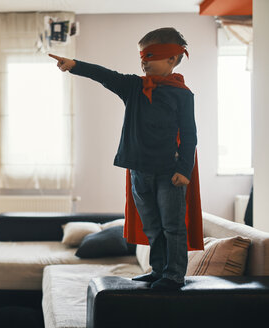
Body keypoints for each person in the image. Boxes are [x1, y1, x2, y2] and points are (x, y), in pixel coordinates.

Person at [49, 27, 203, 291]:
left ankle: (174, 275)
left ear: (172, 59)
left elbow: (190, 134)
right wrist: (75, 65)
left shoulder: (183, 95)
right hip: (139, 172)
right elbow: (106, 76)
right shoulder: (134, 87)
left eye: (150, 55)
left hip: (170, 174)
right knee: (152, 226)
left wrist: (184, 170)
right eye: (141, 56)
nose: (143, 61)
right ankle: (157, 271)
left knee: (172, 227)